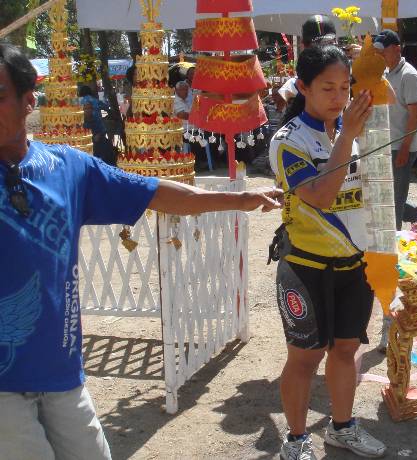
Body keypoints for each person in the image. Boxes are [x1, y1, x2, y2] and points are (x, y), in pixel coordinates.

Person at [0, 43, 282, 460]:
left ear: (29, 101)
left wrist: (241, 200)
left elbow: (157, 193)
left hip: (62, 375)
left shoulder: (69, 169)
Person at [268, 46, 386, 460]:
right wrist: (349, 137)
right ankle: (297, 439)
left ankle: (342, 427)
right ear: (303, 87)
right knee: (305, 357)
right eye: (327, 88)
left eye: (345, 87)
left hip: (355, 264)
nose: (339, 97)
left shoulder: (355, 129)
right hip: (305, 266)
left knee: (345, 350)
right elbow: (318, 196)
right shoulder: (288, 141)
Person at [374, 29, 417, 230]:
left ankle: (393, 245)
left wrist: (405, 148)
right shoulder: (386, 73)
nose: (380, 55)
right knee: (384, 193)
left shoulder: (410, 75)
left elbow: (414, 114)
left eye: (383, 51)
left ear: (397, 49)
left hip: (402, 145)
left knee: (395, 200)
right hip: (388, 143)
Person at [275, 15, 339, 109]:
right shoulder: (294, 85)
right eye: (316, 46)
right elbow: (280, 107)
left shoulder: (345, 75)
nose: (322, 51)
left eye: (327, 44)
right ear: (304, 46)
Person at [78, 86, 115, 165]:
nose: (88, 110)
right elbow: (106, 107)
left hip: (92, 134)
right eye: (85, 109)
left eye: (90, 108)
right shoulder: (95, 101)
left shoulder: (78, 102)